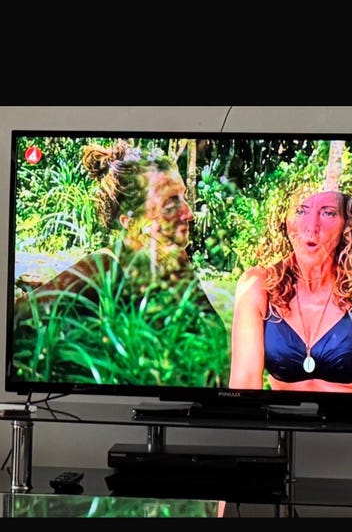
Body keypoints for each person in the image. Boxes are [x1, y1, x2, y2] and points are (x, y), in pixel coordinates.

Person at [15, 140, 229, 386]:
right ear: (130, 221)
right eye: (171, 203)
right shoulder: (103, 266)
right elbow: (18, 319)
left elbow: (215, 348)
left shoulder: (173, 264)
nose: (189, 213)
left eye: (184, 197)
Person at [229, 186, 352, 394]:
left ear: (346, 223)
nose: (311, 227)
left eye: (328, 213)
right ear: (284, 220)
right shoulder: (258, 285)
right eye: (300, 211)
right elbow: (244, 389)